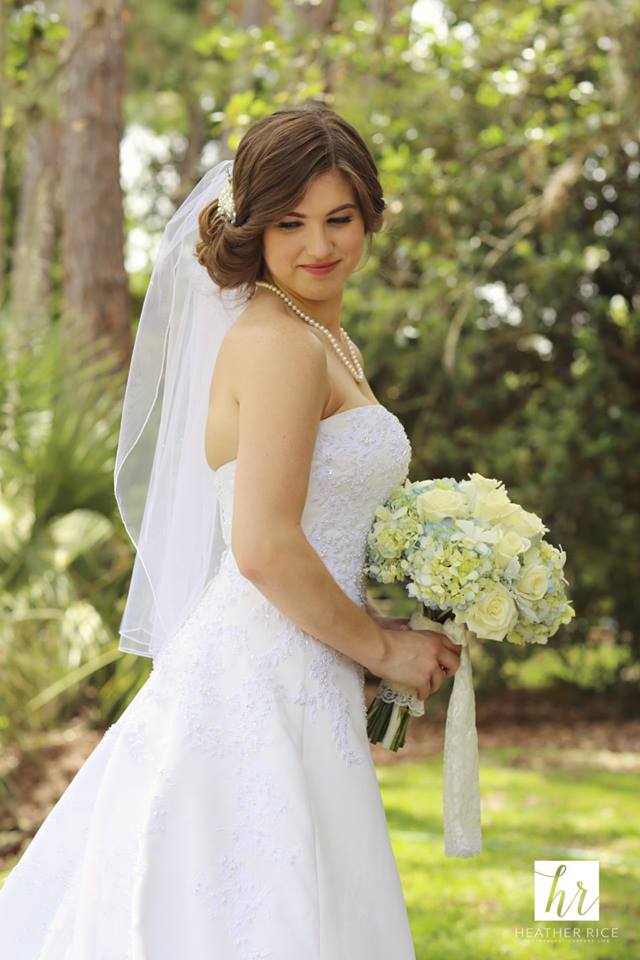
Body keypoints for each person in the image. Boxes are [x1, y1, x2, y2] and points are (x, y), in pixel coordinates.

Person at [0, 102, 461, 958]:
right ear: (254, 226)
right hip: (260, 671)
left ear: (370, 216)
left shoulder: (321, 334)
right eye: (289, 222)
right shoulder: (279, 342)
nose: (318, 245)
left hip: (299, 665)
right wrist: (384, 650)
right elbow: (264, 546)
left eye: (339, 219)